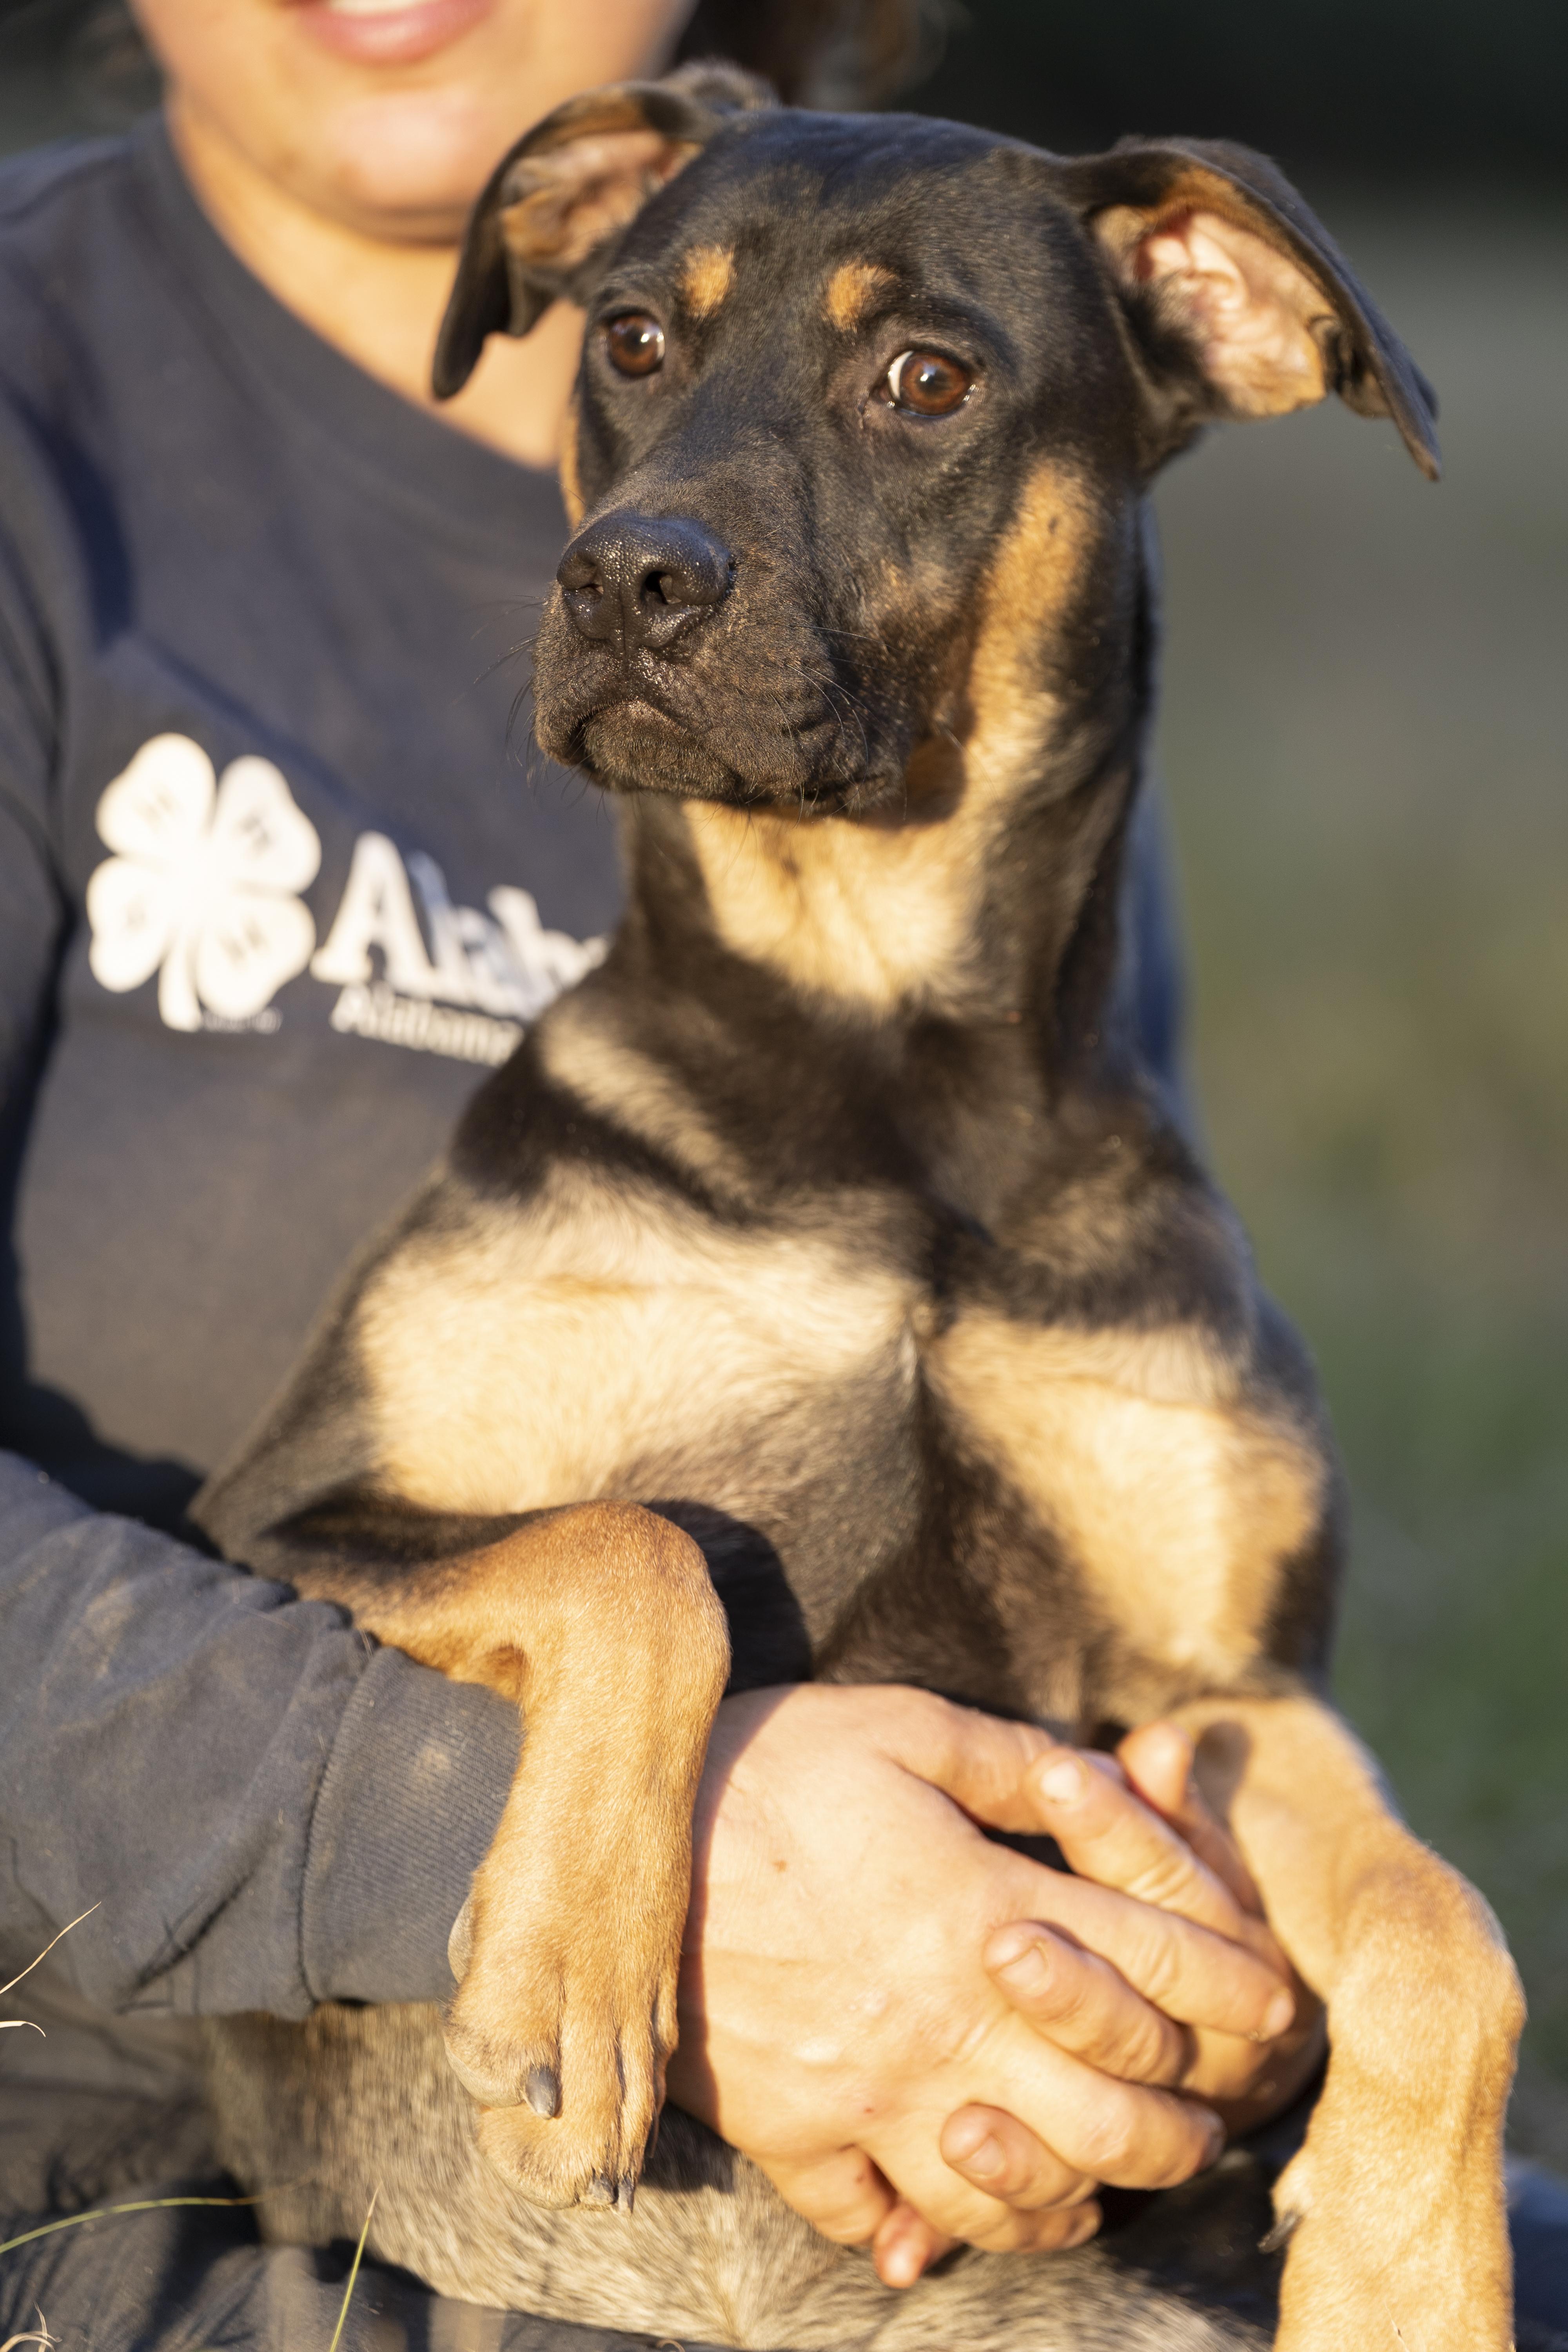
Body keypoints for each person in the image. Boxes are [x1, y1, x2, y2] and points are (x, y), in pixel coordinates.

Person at [0, 3, 1560, 2346]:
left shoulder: (1088, 1116)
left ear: (1217, 328)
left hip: (1011, 2240)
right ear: (570, 287)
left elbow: (1227, 1729)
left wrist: (1380, 2010)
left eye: (920, 389)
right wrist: (580, 1726)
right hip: (250, 2211)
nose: (662, 532)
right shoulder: (45, 417)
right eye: (641, 354)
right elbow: (316, 1555)